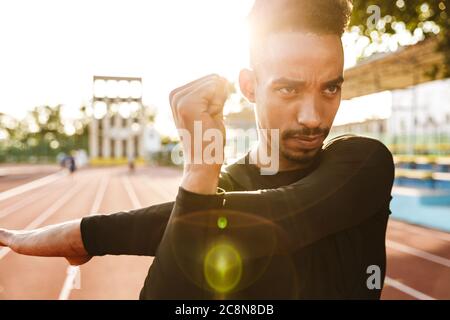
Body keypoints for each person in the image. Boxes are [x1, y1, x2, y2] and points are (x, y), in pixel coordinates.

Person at [0, 0, 394, 299]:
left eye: (331, 87)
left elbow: (287, 213)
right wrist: (200, 172)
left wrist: (88, 236)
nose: (312, 117)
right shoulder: (213, 192)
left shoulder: (364, 164)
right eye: (288, 88)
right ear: (250, 86)